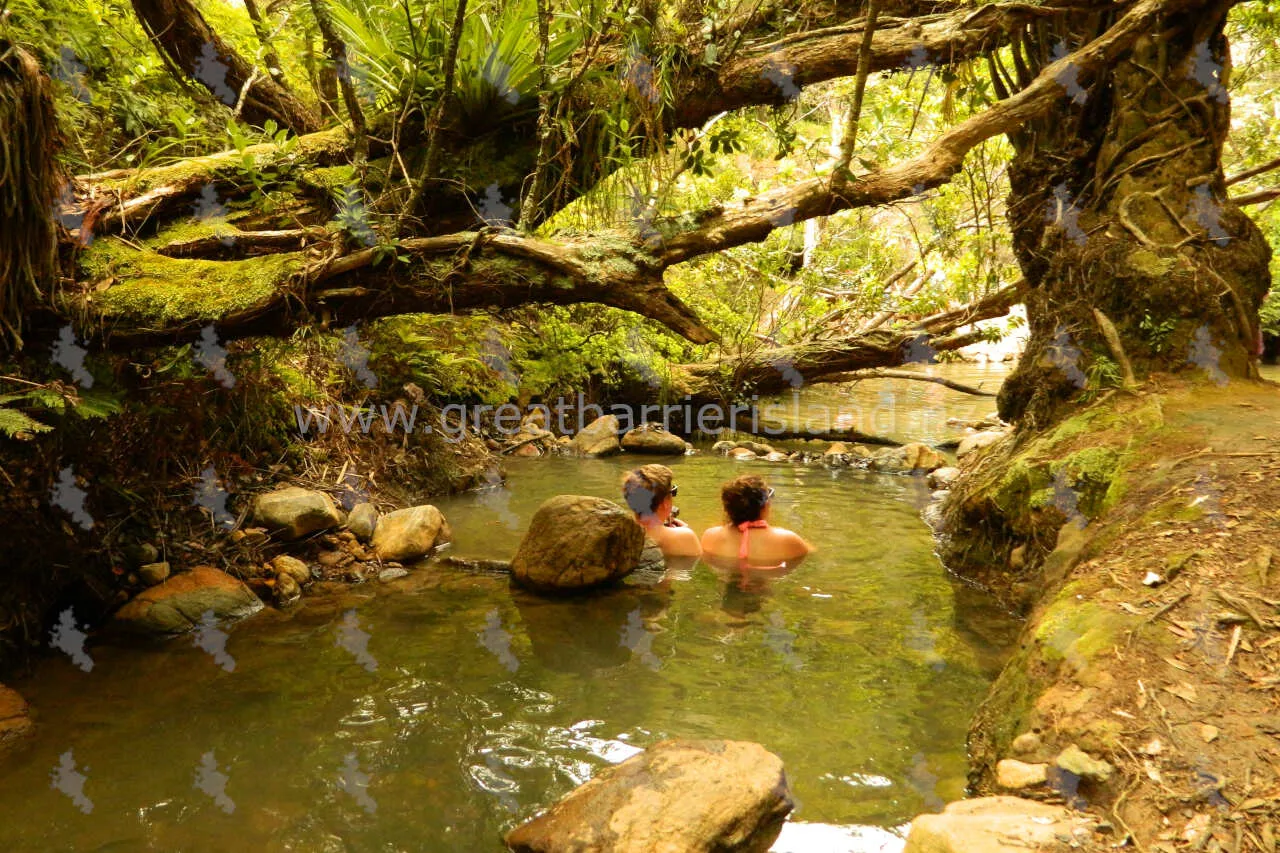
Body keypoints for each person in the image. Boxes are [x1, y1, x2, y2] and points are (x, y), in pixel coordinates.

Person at [700, 475, 813, 567]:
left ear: (726, 508)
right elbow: (811, 555)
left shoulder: (710, 536)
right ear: (765, 506)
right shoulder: (787, 539)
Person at [621, 464, 701, 559]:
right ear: (664, 503)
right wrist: (685, 531)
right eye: (673, 492)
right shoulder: (686, 537)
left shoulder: (622, 536)